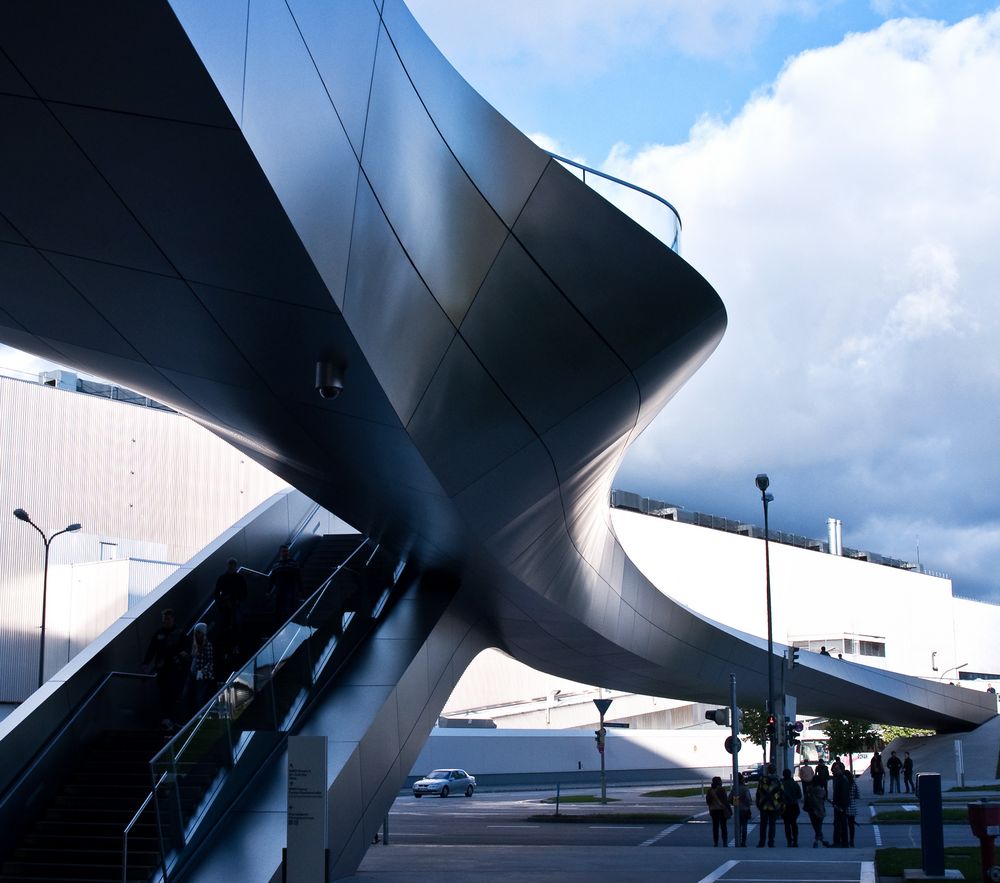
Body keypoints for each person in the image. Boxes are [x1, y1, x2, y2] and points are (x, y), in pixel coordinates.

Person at [142, 608, 187, 728]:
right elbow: (152, 649)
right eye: (164, 620)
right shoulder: (159, 634)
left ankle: (174, 719)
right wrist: (146, 663)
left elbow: (186, 647)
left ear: (173, 619)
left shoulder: (179, 633)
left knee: (174, 694)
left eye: (167, 619)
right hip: (162, 669)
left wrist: (182, 653)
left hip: (175, 669)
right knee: (163, 693)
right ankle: (166, 718)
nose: (165, 622)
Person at [214, 557, 248, 664]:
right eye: (230, 565)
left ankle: (232, 648)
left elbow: (244, 592)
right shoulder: (233, 577)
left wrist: (235, 601)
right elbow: (216, 593)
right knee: (229, 627)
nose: (231, 567)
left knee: (234, 626)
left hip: (232, 606)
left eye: (232, 565)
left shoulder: (225, 578)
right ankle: (231, 649)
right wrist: (223, 601)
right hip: (227, 606)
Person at [181, 622, 215, 718]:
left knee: (199, 697)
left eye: (199, 632)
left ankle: (202, 717)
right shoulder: (195, 645)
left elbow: (210, 663)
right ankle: (187, 717)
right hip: (192, 673)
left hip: (201, 676)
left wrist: (202, 671)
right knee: (186, 696)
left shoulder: (207, 645)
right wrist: (186, 656)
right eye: (196, 632)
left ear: (203, 633)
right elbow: (194, 659)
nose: (196, 634)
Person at [269, 544, 304, 624]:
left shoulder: (293, 563)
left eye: (287, 551)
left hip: (291, 590)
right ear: (280, 553)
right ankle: (279, 626)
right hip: (279, 591)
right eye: (284, 551)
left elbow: (298, 577)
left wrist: (300, 589)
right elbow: (272, 579)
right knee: (278, 609)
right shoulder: (276, 565)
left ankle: (288, 624)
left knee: (289, 609)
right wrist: (269, 590)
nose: (286, 553)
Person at [756, 764, 784, 847]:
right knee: (772, 824)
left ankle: (761, 842)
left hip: (763, 805)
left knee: (763, 825)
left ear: (768, 770)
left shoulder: (762, 780)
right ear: (775, 770)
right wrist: (780, 804)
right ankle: (771, 842)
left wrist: (758, 803)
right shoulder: (778, 780)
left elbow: (758, 793)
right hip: (774, 805)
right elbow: (781, 793)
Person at [801, 764, 828, 848]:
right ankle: (819, 840)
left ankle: (820, 840)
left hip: (811, 809)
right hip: (819, 809)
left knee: (815, 825)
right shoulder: (821, 790)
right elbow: (823, 798)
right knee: (818, 825)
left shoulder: (809, 789)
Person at [706, 776, 731, 847]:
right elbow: (725, 801)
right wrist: (728, 809)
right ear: (719, 782)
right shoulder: (722, 790)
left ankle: (716, 842)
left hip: (713, 810)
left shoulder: (710, 790)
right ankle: (725, 842)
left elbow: (708, 801)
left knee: (715, 827)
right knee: (723, 826)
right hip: (721, 809)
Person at [831, 764, 851, 847]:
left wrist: (841, 806)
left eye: (836, 769)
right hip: (839, 805)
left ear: (841, 770)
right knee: (841, 824)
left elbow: (844, 794)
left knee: (839, 824)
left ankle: (839, 842)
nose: (833, 771)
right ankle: (843, 842)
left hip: (840, 806)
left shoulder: (842, 780)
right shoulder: (839, 779)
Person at [780, 768, 802, 847]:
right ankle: (795, 841)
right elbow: (799, 795)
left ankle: (789, 841)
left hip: (785, 806)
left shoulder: (781, 784)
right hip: (794, 805)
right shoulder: (794, 784)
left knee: (786, 824)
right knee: (794, 823)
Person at [731, 772, 753, 847]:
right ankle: (743, 842)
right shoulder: (745, 788)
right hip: (745, 809)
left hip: (738, 809)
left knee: (738, 826)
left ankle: (738, 840)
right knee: (744, 826)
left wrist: (735, 802)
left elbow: (730, 798)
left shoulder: (734, 788)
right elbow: (749, 800)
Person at [846, 773, 861, 847]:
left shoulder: (844, 784)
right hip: (852, 807)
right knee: (851, 826)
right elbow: (858, 795)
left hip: (844, 807)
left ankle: (845, 840)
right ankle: (851, 840)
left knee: (844, 825)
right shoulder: (853, 784)